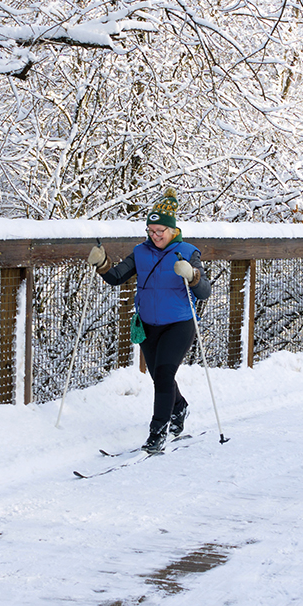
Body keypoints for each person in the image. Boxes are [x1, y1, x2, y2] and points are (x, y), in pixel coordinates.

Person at [85, 189, 211, 453]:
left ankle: (157, 432)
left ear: (172, 230)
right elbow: (116, 277)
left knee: (165, 373)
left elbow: (205, 291)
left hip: (179, 323)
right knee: (160, 378)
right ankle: (179, 407)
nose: (155, 236)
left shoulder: (188, 252)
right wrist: (102, 264)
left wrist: (192, 274)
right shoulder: (140, 253)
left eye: (160, 231)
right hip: (148, 325)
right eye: (151, 230)